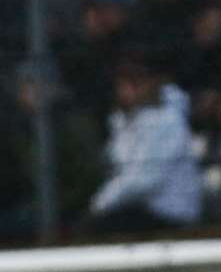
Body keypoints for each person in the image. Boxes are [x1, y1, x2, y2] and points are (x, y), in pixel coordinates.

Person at [82, 54, 205, 235]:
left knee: (96, 227)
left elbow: (144, 181)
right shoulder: (125, 121)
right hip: (140, 208)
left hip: (171, 212)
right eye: (124, 84)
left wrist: (100, 203)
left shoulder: (167, 120)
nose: (129, 91)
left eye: (136, 83)